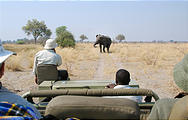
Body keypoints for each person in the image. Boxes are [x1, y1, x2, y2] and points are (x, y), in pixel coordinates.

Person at [0, 40, 41, 119]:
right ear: (2, 69)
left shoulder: (38, 54)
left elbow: (35, 66)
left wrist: (35, 74)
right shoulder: (24, 110)